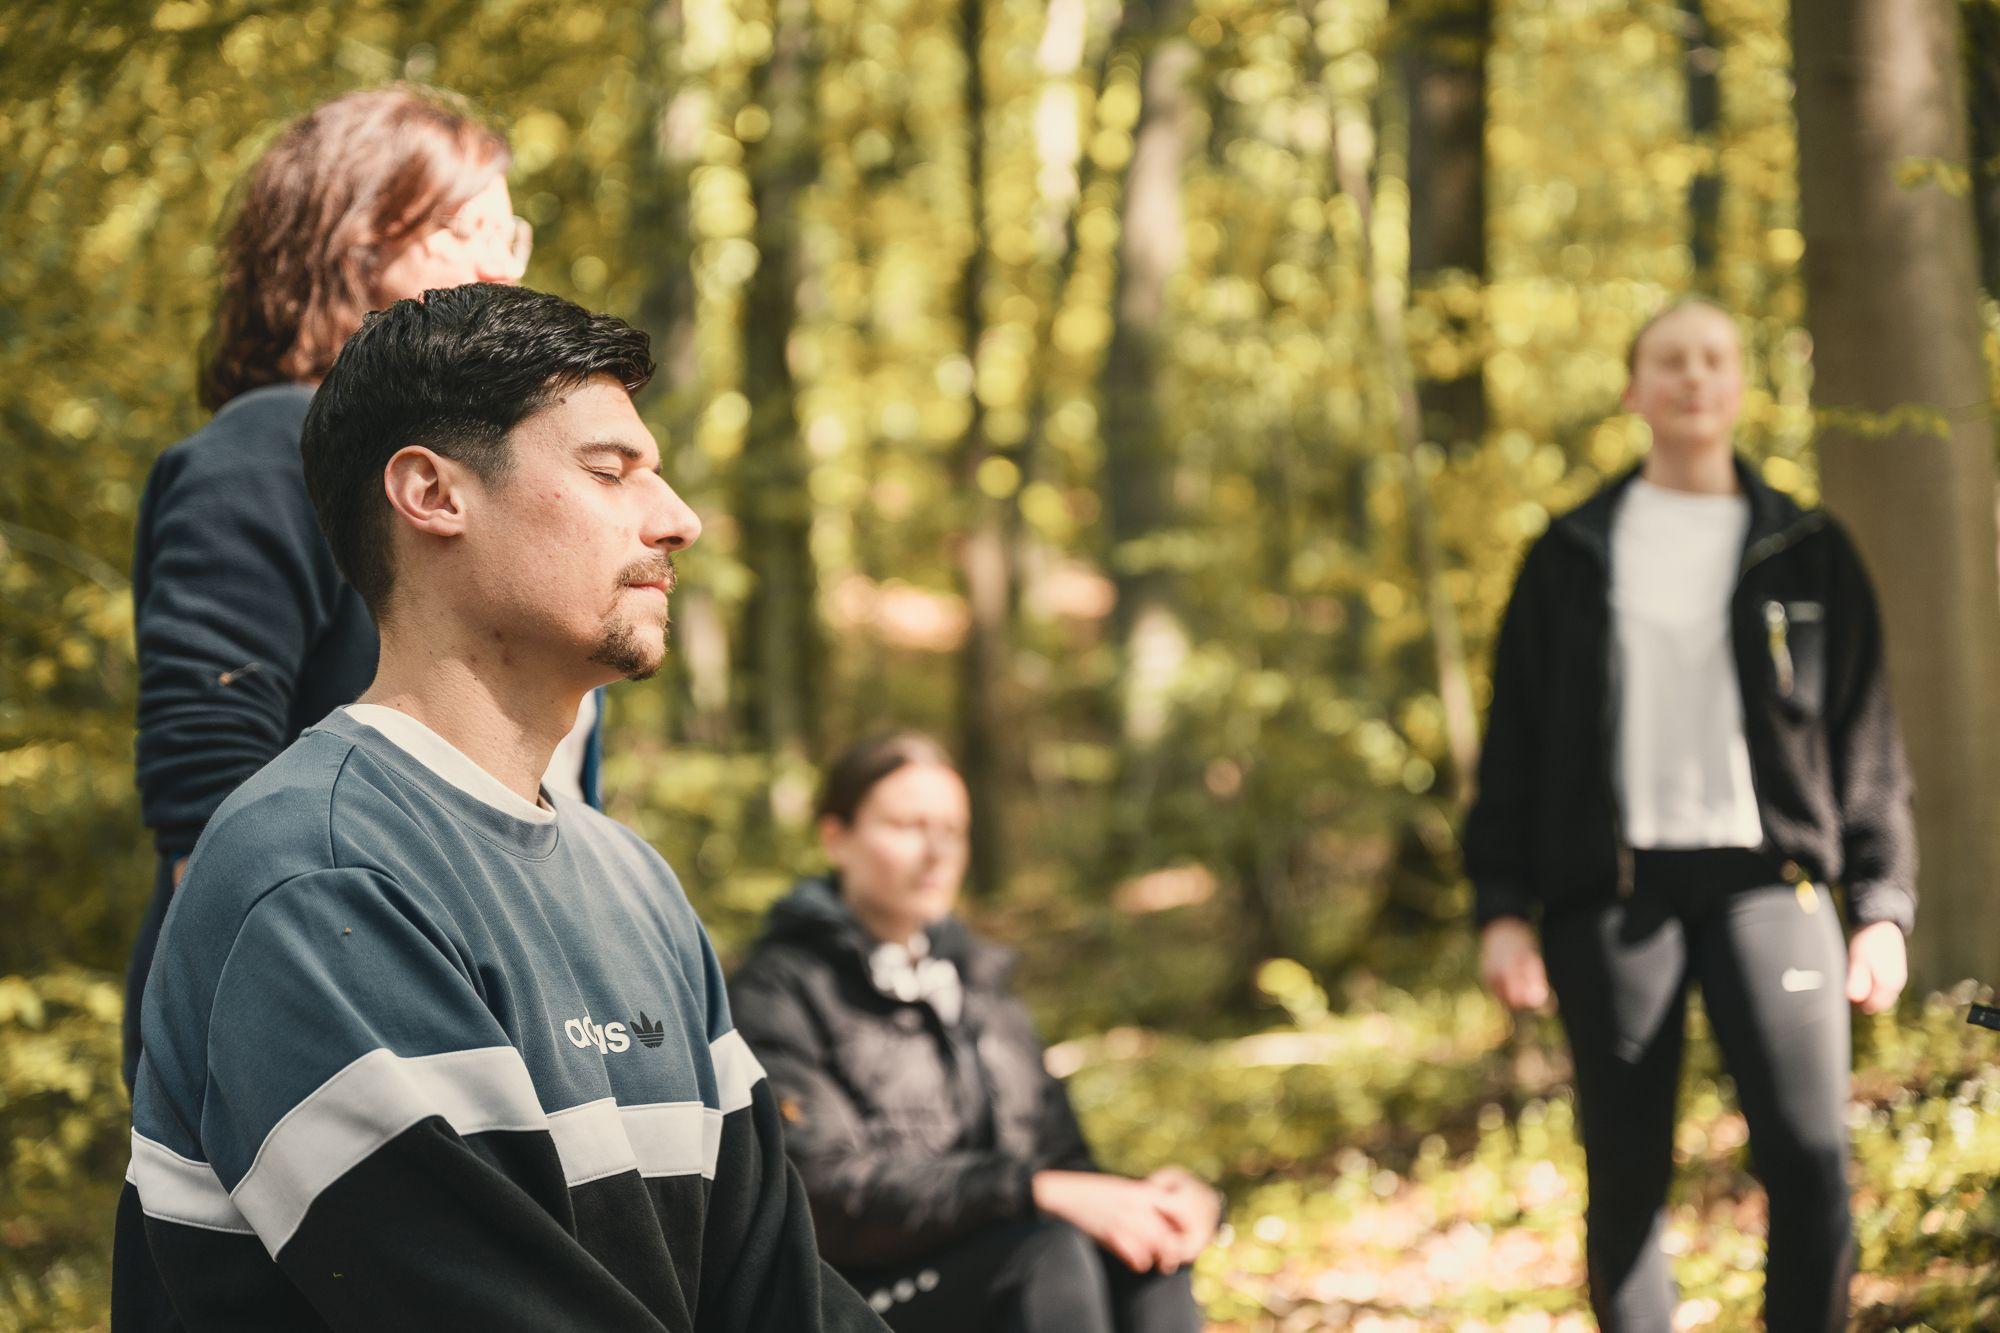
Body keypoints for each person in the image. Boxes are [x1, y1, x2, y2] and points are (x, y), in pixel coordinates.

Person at [113, 284, 885, 1332]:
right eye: (610, 470)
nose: (678, 518)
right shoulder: (313, 873)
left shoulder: (635, 884)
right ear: (432, 492)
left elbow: (779, 1297)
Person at [125, 85, 602, 1091]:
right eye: (465, 231)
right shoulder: (259, 453)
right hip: (313, 1030)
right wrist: (320, 1043)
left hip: (507, 1006)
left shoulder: (485, 486)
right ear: (354, 245)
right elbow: (209, 789)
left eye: (508, 232)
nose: (501, 267)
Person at [1463, 299, 1915, 1333]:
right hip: (1611, 897)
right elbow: (1514, 744)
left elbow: (1866, 741)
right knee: (1624, 1180)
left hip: (1772, 886)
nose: (1692, 376)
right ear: (1632, 391)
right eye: (1667, 361)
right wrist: (1500, 905)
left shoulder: (1806, 548)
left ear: (1737, 384)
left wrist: (1879, 901)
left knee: (1807, 1162)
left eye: (1713, 358)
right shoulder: (1569, 554)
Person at [729, 733, 1219, 1333]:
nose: (936, 852)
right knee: (1046, 1254)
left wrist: (1159, 1202)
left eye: (952, 830)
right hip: (851, 1303)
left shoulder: (981, 989)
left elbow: (1063, 1163)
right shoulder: (778, 991)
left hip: (999, 1262)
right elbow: (822, 1196)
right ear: (837, 838)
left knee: (1146, 1257)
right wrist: (1027, 1189)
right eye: (908, 825)